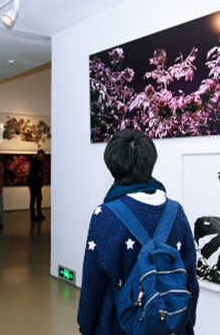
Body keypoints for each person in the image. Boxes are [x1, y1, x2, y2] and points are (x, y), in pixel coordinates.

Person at [77, 129, 199, 335]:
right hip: (169, 325)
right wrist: (184, 323)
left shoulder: (105, 216)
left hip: (119, 325)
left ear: (112, 165)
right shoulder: (176, 212)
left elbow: (93, 285)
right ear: (151, 161)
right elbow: (189, 279)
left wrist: (86, 328)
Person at [27, 150, 46, 221]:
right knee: (34, 198)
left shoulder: (39, 162)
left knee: (38, 198)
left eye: (43, 155)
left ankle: (38, 214)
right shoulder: (35, 161)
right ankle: (33, 215)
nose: (42, 156)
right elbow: (35, 173)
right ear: (38, 154)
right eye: (41, 155)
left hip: (36, 183)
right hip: (33, 183)